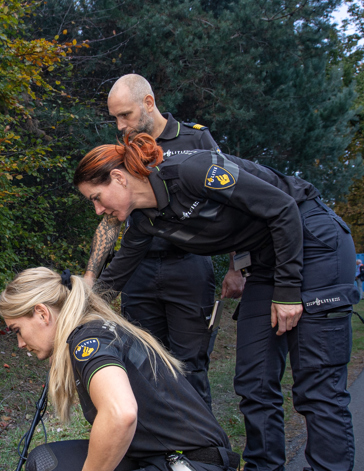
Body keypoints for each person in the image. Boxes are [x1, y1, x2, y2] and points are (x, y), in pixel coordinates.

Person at [74, 134, 359, 471]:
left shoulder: (193, 171)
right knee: (254, 383)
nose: (98, 210)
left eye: (97, 198)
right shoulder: (147, 222)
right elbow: (114, 280)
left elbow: (283, 208)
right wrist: (69, 319)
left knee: (317, 390)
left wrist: (287, 289)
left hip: (312, 241)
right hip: (268, 259)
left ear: (117, 177)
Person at [0, 267, 239, 471]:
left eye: (17, 330)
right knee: (44, 463)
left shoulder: (88, 340)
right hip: (166, 466)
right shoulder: (96, 329)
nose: (20, 342)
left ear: (41, 313)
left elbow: (121, 414)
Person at [84, 74, 245, 407]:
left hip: (188, 266)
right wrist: (90, 277)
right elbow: (111, 219)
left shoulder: (196, 139)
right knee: (145, 365)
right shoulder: (125, 150)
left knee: (191, 365)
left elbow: (233, 202)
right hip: (138, 269)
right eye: (114, 118)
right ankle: (159, 451)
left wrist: (237, 267)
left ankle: (205, 452)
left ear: (148, 103)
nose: (120, 125)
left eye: (125, 115)